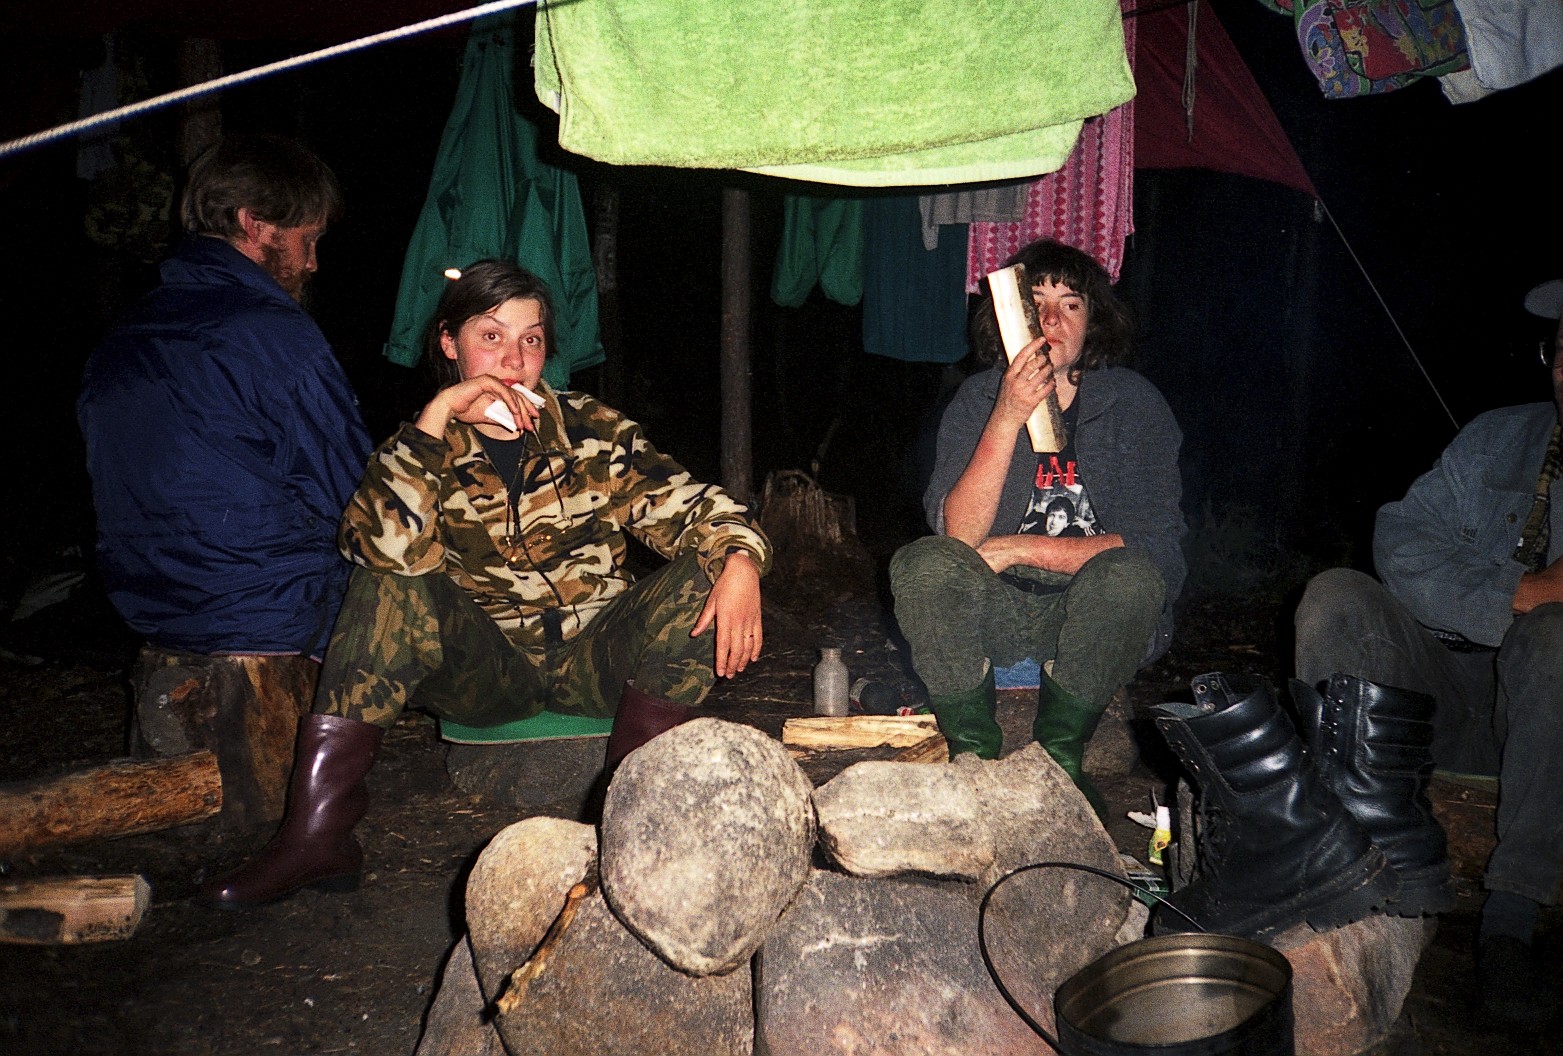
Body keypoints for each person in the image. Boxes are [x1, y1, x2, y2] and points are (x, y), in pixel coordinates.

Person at [204, 260, 772, 908]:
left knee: (710, 568)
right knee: (389, 583)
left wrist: (739, 559)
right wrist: (439, 414)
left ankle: (632, 827)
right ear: (450, 343)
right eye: (491, 336)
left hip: (598, 658)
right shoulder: (417, 447)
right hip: (488, 671)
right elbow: (380, 550)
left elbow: (694, 505)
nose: (513, 360)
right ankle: (317, 837)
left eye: (531, 339)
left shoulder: (590, 429)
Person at [1293, 277, 1563, 1030]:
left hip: (1549, 731)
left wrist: (1541, 614)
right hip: (1453, 690)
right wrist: (1519, 592)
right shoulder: (1498, 437)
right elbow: (1402, 541)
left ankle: (1508, 924)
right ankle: (1338, 858)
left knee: (1554, 639)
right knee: (1337, 596)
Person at [889, 239, 1186, 818]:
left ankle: (1060, 760)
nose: (1051, 321)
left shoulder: (1133, 405)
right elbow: (957, 538)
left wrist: (1018, 547)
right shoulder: (978, 399)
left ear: (1093, 321)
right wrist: (1007, 414)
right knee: (922, 564)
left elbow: (1156, 548)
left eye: (1070, 305)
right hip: (996, 610)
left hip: (1086, 615)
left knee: (1131, 576)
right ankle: (973, 757)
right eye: (1037, 304)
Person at [78, 133, 371, 661]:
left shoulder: (123, 336)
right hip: (272, 608)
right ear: (255, 224)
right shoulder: (272, 333)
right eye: (308, 239)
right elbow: (354, 497)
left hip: (149, 603)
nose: (312, 263)